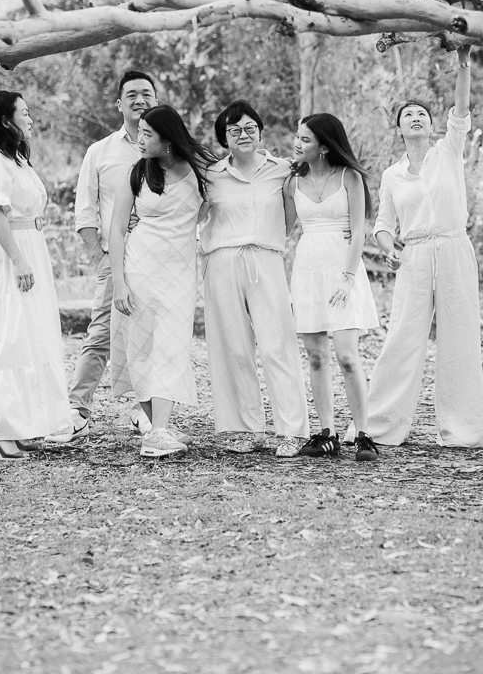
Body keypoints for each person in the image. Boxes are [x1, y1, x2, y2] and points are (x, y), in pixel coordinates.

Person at [368, 46, 483, 448]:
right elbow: (383, 225)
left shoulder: (449, 151)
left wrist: (463, 63)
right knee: (402, 337)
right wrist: (388, 248)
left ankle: (463, 431)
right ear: (399, 128)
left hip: (454, 247)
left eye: (422, 114)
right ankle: (382, 425)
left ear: (433, 125)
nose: (416, 118)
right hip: (415, 254)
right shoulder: (392, 175)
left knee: (460, 336)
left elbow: (461, 106)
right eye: (408, 115)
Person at [0, 90, 80, 461]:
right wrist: (18, 260)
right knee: (10, 336)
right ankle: (0, 432)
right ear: (5, 120)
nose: (31, 118)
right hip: (11, 250)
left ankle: (23, 426)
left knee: (33, 335)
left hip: (33, 244)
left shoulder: (17, 159)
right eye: (24, 112)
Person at [201, 100, 310, 458]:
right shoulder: (212, 175)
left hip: (265, 258)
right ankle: (244, 428)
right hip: (222, 261)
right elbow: (191, 213)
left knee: (276, 344)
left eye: (249, 128)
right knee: (233, 346)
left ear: (260, 133)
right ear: (224, 138)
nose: (243, 135)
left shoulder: (282, 170)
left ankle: (292, 430)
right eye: (234, 130)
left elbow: (292, 215)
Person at [107, 105, 216, 459]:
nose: (139, 139)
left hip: (180, 271)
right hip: (140, 268)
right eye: (139, 133)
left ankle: (159, 429)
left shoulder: (201, 171)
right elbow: (117, 230)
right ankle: (157, 430)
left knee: (172, 344)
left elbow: (216, 206)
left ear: (167, 139)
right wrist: (119, 283)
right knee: (139, 345)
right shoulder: (137, 173)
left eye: (147, 135)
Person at [287, 113, 382, 462]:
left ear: (324, 147)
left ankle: (363, 433)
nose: (297, 144)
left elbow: (358, 231)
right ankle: (327, 432)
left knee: (347, 356)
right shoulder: (292, 182)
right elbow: (284, 227)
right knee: (315, 357)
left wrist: (347, 277)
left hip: (342, 270)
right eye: (297, 137)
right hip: (307, 269)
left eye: (305, 140)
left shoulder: (349, 177)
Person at [68, 70, 157, 430]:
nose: (140, 100)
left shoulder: (170, 151)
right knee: (101, 333)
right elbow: (85, 210)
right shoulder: (100, 151)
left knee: (151, 334)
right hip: (115, 259)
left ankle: (146, 410)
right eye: (132, 95)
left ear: (157, 100)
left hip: (158, 257)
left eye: (147, 94)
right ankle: (77, 409)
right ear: (119, 103)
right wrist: (101, 257)